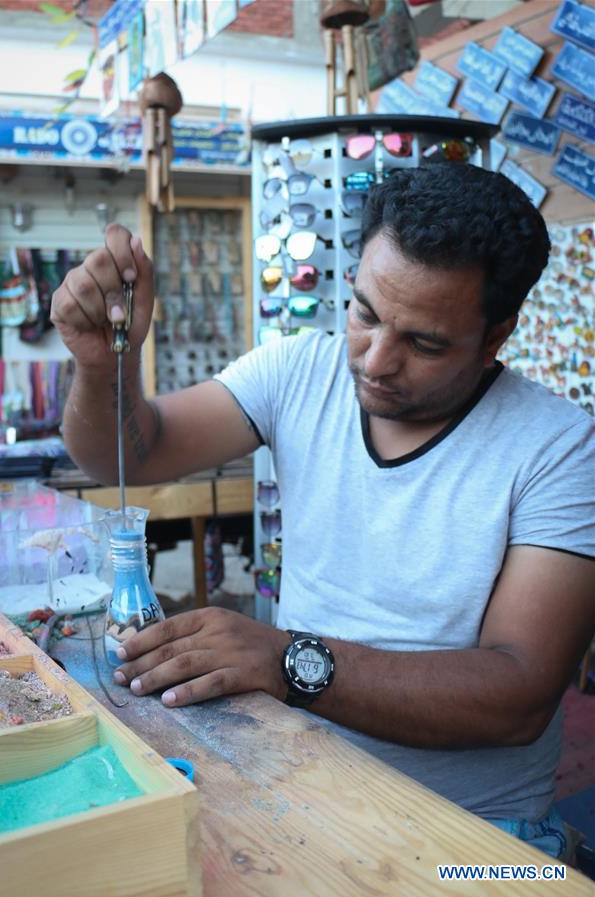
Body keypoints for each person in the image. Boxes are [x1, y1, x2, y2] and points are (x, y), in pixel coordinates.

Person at [51, 163, 594, 858]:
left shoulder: (558, 450)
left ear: (495, 336)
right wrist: (102, 368)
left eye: (423, 342)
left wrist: (290, 660)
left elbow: (518, 692)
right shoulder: (299, 371)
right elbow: (128, 453)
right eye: (364, 312)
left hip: (481, 841)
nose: (374, 358)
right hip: (296, 790)